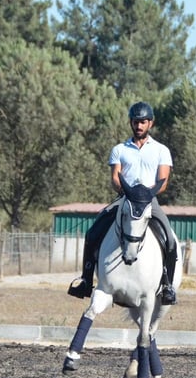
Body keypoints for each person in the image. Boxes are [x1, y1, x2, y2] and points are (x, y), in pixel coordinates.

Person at [67, 101, 178, 305]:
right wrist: (126, 191)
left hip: (148, 201)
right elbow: (115, 178)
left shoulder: (161, 150)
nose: (139, 125)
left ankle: (167, 285)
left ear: (150, 124)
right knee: (93, 233)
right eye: (136, 122)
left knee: (169, 240)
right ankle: (86, 280)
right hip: (124, 199)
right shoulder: (119, 149)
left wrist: (144, 194)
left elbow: (163, 181)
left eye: (143, 122)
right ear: (131, 123)